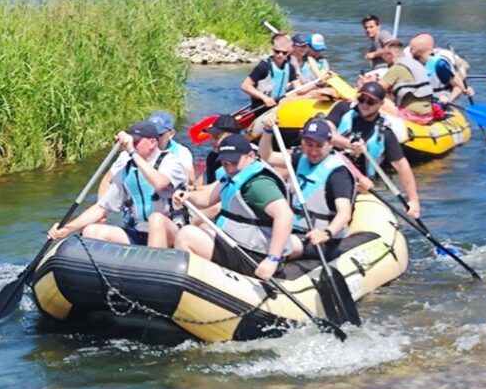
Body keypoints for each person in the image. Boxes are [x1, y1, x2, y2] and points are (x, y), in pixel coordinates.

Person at [173, 134, 296, 280]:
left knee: (187, 236)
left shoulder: (258, 185)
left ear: (250, 156)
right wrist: (187, 196)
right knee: (203, 228)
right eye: (225, 163)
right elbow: (207, 200)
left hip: (253, 255)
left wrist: (272, 260)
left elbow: (285, 215)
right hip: (237, 244)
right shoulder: (233, 175)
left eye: (233, 162)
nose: (229, 167)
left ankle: (198, 285)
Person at [48, 120, 188, 248]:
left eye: (136, 142)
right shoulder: (127, 170)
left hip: (172, 232)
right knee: (91, 231)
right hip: (139, 233)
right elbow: (102, 207)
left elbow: (160, 183)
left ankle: (155, 269)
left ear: (152, 142)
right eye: (131, 143)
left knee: (156, 220)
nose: (130, 146)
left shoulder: (170, 161)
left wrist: (133, 152)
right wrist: (68, 228)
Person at [258, 116, 357, 254]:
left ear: (330, 144)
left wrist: (326, 233)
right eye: (309, 145)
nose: (313, 151)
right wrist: (267, 132)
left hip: (323, 238)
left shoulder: (338, 173)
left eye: (319, 145)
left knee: (279, 245)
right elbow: (266, 157)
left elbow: (344, 213)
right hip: (295, 228)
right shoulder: (300, 159)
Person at [326, 80, 421, 218]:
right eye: (361, 99)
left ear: (381, 104)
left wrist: (413, 200)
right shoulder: (343, 109)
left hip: (359, 183)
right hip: (329, 166)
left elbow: (401, 165)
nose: (364, 105)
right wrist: (349, 144)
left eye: (370, 102)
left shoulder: (385, 133)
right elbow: (327, 134)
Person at [241, 32, 300, 136]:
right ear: (273, 50)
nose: (280, 55)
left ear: (289, 53)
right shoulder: (264, 66)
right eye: (277, 52)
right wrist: (265, 98)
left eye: (284, 53)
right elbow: (245, 86)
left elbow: (299, 89)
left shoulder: (289, 67)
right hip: (261, 109)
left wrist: (318, 84)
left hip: (277, 109)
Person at [375, 37, 433, 117]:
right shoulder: (415, 63)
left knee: (373, 99)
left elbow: (376, 89)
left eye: (383, 55)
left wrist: (367, 83)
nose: (383, 58)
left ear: (390, 55)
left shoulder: (397, 68)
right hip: (427, 112)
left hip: (412, 114)